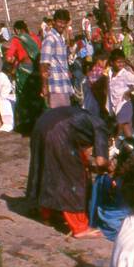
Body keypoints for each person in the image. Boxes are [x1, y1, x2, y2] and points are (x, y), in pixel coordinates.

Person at [26, 101, 109, 238]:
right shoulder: (101, 127)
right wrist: (109, 165)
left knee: (48, 169)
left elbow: (82, 149)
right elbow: (101, 161)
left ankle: (47, 212)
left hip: (41, 125)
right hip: (58, 131)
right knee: (72, 178)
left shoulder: (85, 118)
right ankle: (79, 227)